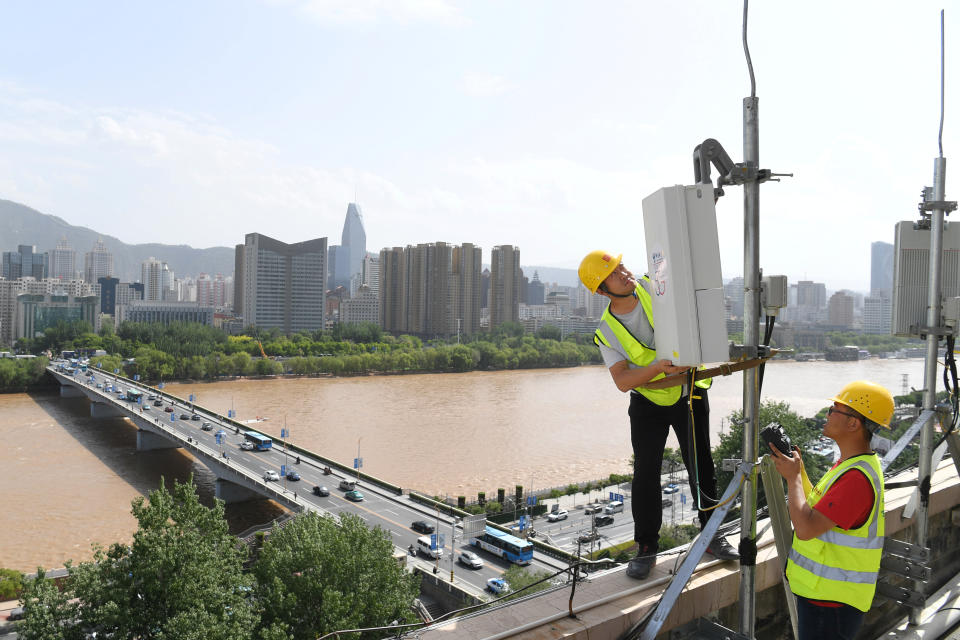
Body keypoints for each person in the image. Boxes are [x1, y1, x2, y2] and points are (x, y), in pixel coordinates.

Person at [579, 250, 739, 581]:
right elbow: (622, 381)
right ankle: (646, 547)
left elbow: (686, 284)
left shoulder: (654, 288)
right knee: (646, 473)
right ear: (601, 290)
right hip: (648, 402)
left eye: (621, 266)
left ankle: (711, 535)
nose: (624, 273)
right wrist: (655, 369)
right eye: (613, 272)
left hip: (688, 392)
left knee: (701, 464)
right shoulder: (607, 331)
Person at [768, 380, 891, 640]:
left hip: (831, 604)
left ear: (853, 423)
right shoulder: (851, 465)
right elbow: (819, 508)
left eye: (835, 409)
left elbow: (806, 528)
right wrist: (799, 473)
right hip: (824, 596)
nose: (827, 414)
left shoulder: (856, 479)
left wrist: (791, 480)